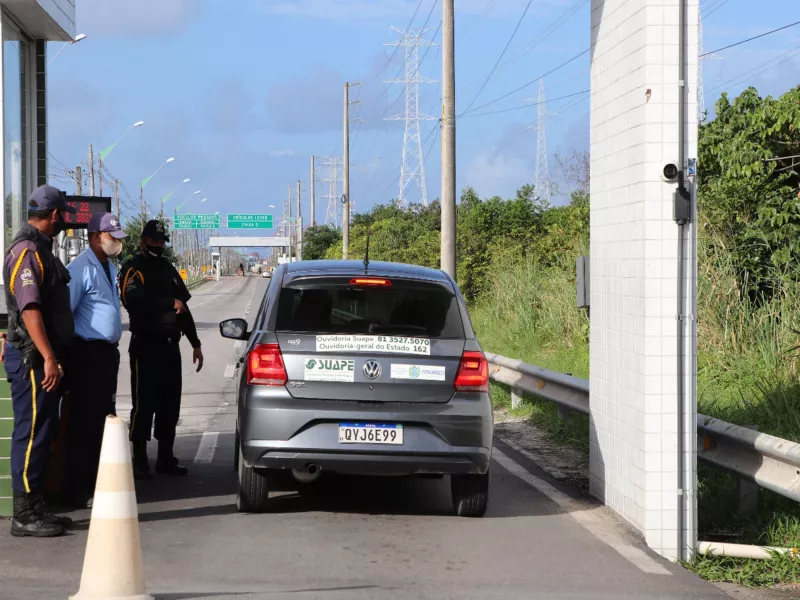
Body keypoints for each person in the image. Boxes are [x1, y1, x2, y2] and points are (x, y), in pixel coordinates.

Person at [3, 185, 75, 537]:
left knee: (43, 432)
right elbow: (29, 308)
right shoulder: (27, 250)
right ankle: (23, 514)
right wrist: (48, 356)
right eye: (63, 214)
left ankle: (36, 505)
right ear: (55, 215)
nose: (64, 219)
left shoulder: (42, 249)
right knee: (31, 434)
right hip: (33, 358)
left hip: (42, 357)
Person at [120, 219, 204, 480]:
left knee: (170, 406)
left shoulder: (168, 268)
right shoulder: (133, 269)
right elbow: (134, 302)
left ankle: (166, 458)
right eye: (154, 240)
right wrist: (170, 302)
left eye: (162, 241)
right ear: (143, 241)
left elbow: (184, 308)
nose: (158, 244)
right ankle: (140, 459)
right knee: (144, 404)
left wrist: (195, 343)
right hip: (145, 347)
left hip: (170, 348)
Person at [62, 212, 127, 508]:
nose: (117, 243)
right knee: (85, 422)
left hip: (106, 355)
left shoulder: (110, 266)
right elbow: (66, 313)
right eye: (111, 237)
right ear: (94, 237)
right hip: (86, 354)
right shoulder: (80, 269)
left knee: (104, 419)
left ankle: (100, 482)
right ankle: (78, 487)